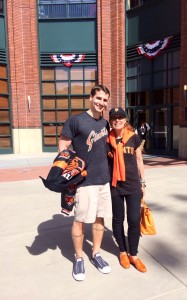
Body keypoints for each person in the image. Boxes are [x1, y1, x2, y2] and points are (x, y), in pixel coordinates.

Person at [58, 84, 112, 281]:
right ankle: (79, 257)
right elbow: (63, 146)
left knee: (100, 219)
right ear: (91, 97)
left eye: (105, 100)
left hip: (103, 180)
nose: (101, 103)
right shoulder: (76, 121)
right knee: (80, 221)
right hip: (84, 181)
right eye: (98, 98)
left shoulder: (105, 124)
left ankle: (96, 254)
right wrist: (68, 171)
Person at [107, 107, 147, 273]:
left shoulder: (134, 137)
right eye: (114, 118)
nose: (117, 120)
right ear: (110, 121)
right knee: (118, 220)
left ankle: (134, 255)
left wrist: (142, 183)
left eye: (120, 117)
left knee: (133, 221)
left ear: (125, 119)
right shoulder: (105, 140)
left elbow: (139, 161)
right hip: (115, 185)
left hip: (132, 186)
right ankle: (122, 252)